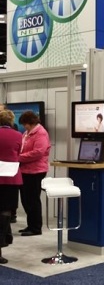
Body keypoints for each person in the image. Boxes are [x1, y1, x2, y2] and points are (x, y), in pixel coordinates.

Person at [18, 111, 51, 237]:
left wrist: (19, 158)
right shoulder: (27, 133)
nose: (24, 127)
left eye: (25, 124)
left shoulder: (41, 133)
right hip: (25, 170)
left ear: (30, 122)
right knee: (26, 200)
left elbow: (38, 152)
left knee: (33, 200)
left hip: (36, 171)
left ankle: (36, 227)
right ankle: (30, 224)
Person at [0, 110, 23, 263]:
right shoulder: (18, 135)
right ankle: (3, 238)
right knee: (6, 211)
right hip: (11, 178)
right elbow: (19, 152)